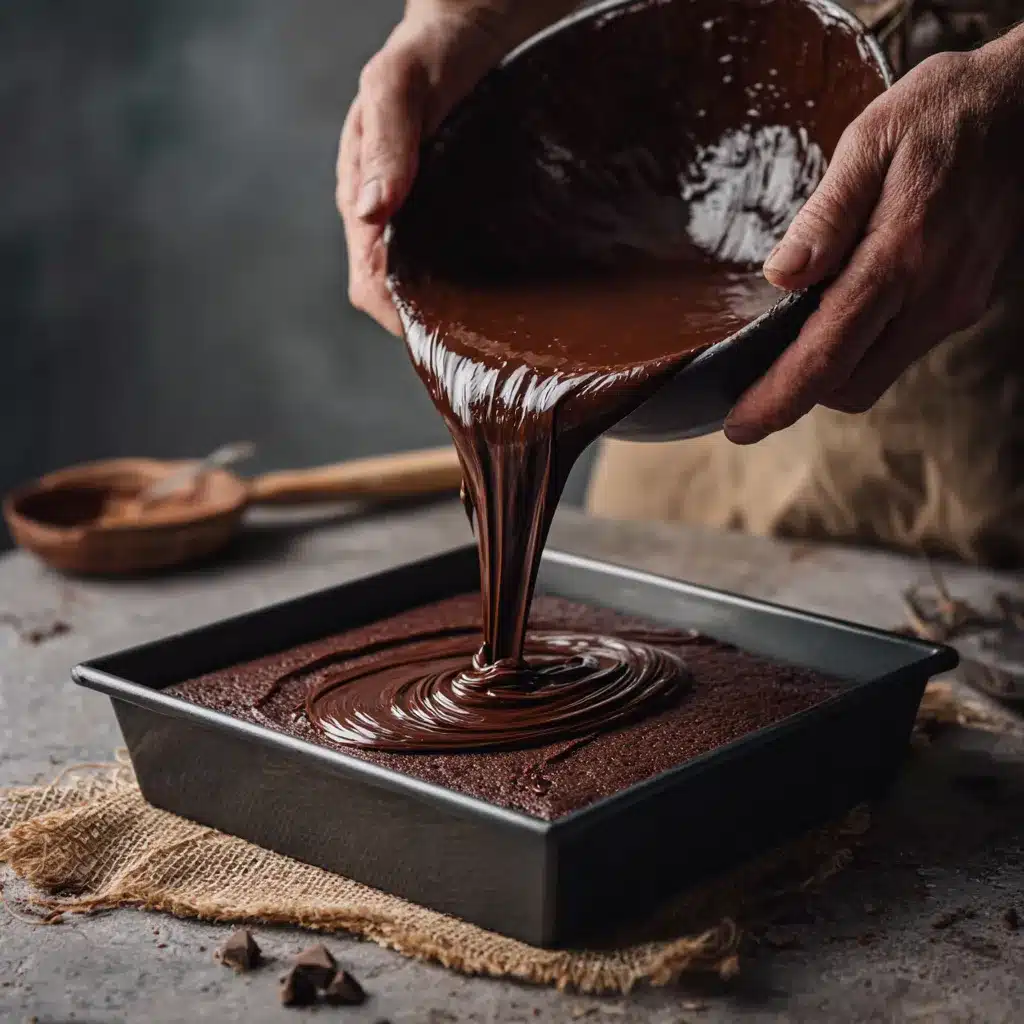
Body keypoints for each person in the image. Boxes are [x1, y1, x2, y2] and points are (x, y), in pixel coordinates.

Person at [337, 0, 1024, 567]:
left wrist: (1010, 95)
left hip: (967, 249)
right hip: (670, 187)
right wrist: (468, 16)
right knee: (652, 619)